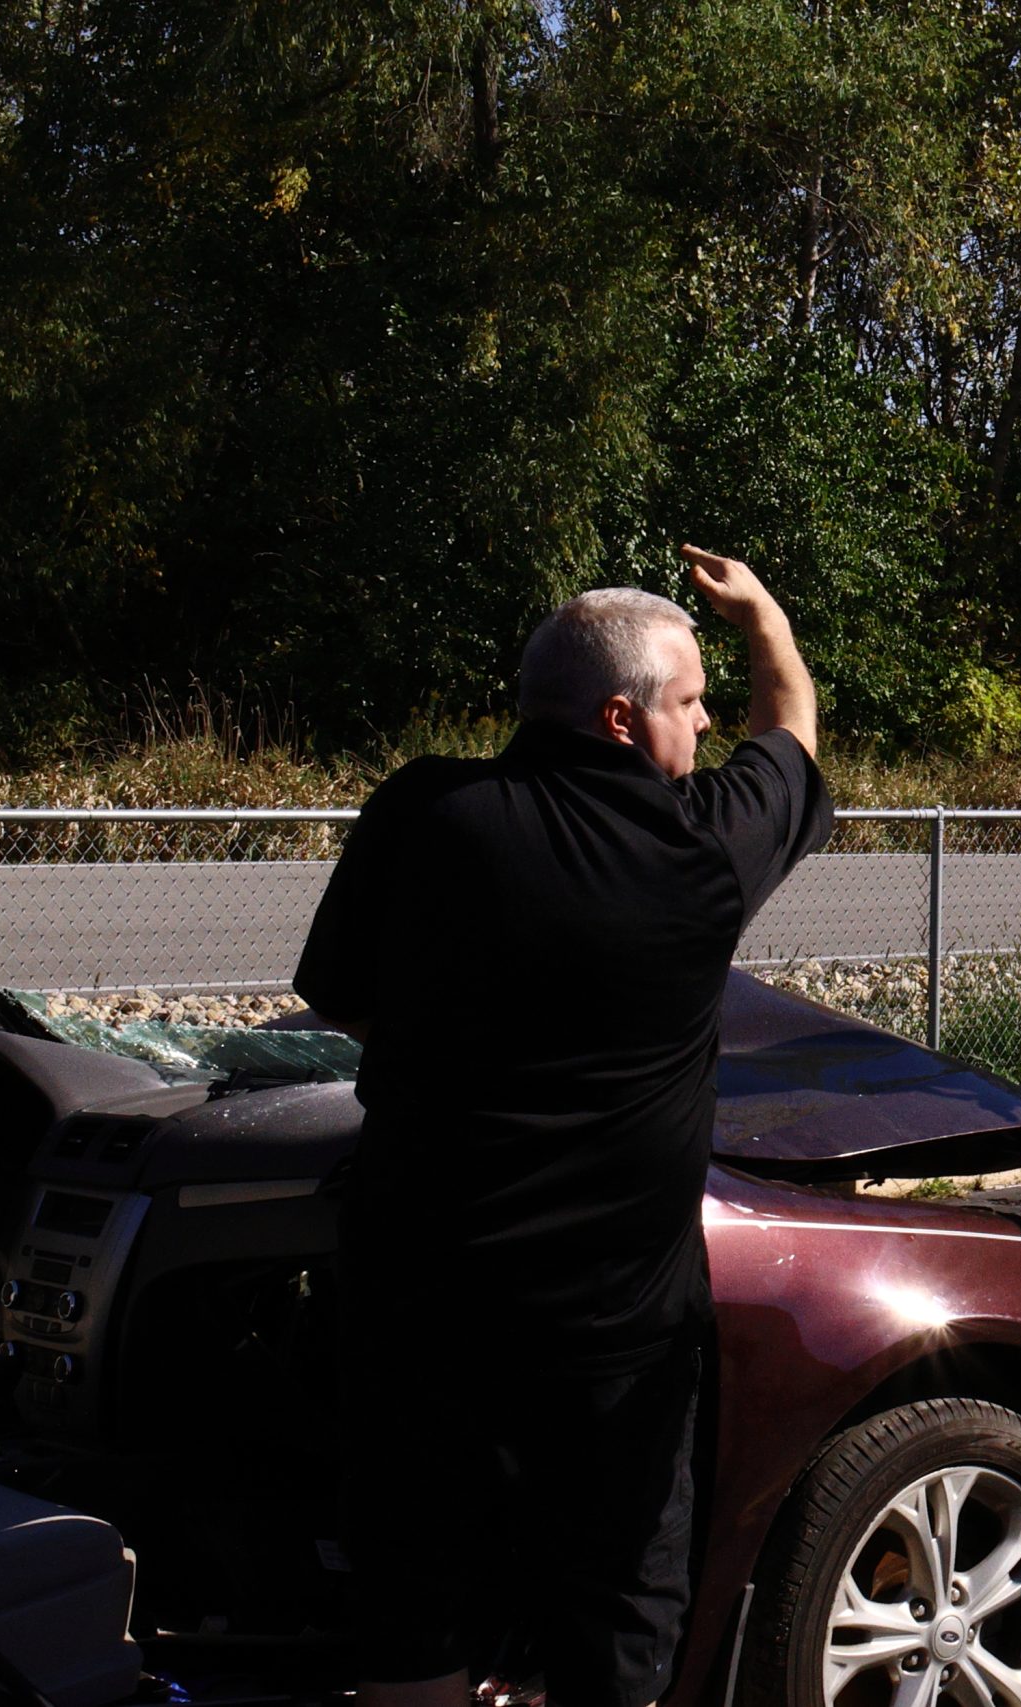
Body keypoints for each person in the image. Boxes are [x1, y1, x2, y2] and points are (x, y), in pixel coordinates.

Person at [293, 547, 832, 1707]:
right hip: (611, 1334)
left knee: (413, 1604)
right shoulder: (698, 848)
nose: (704, 725)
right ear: (621, 719)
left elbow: (337, 992)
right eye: (688, 703)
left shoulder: (425, 810)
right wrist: (763, 622)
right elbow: (790, 736)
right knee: (616, 1605)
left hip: (415, 1302)